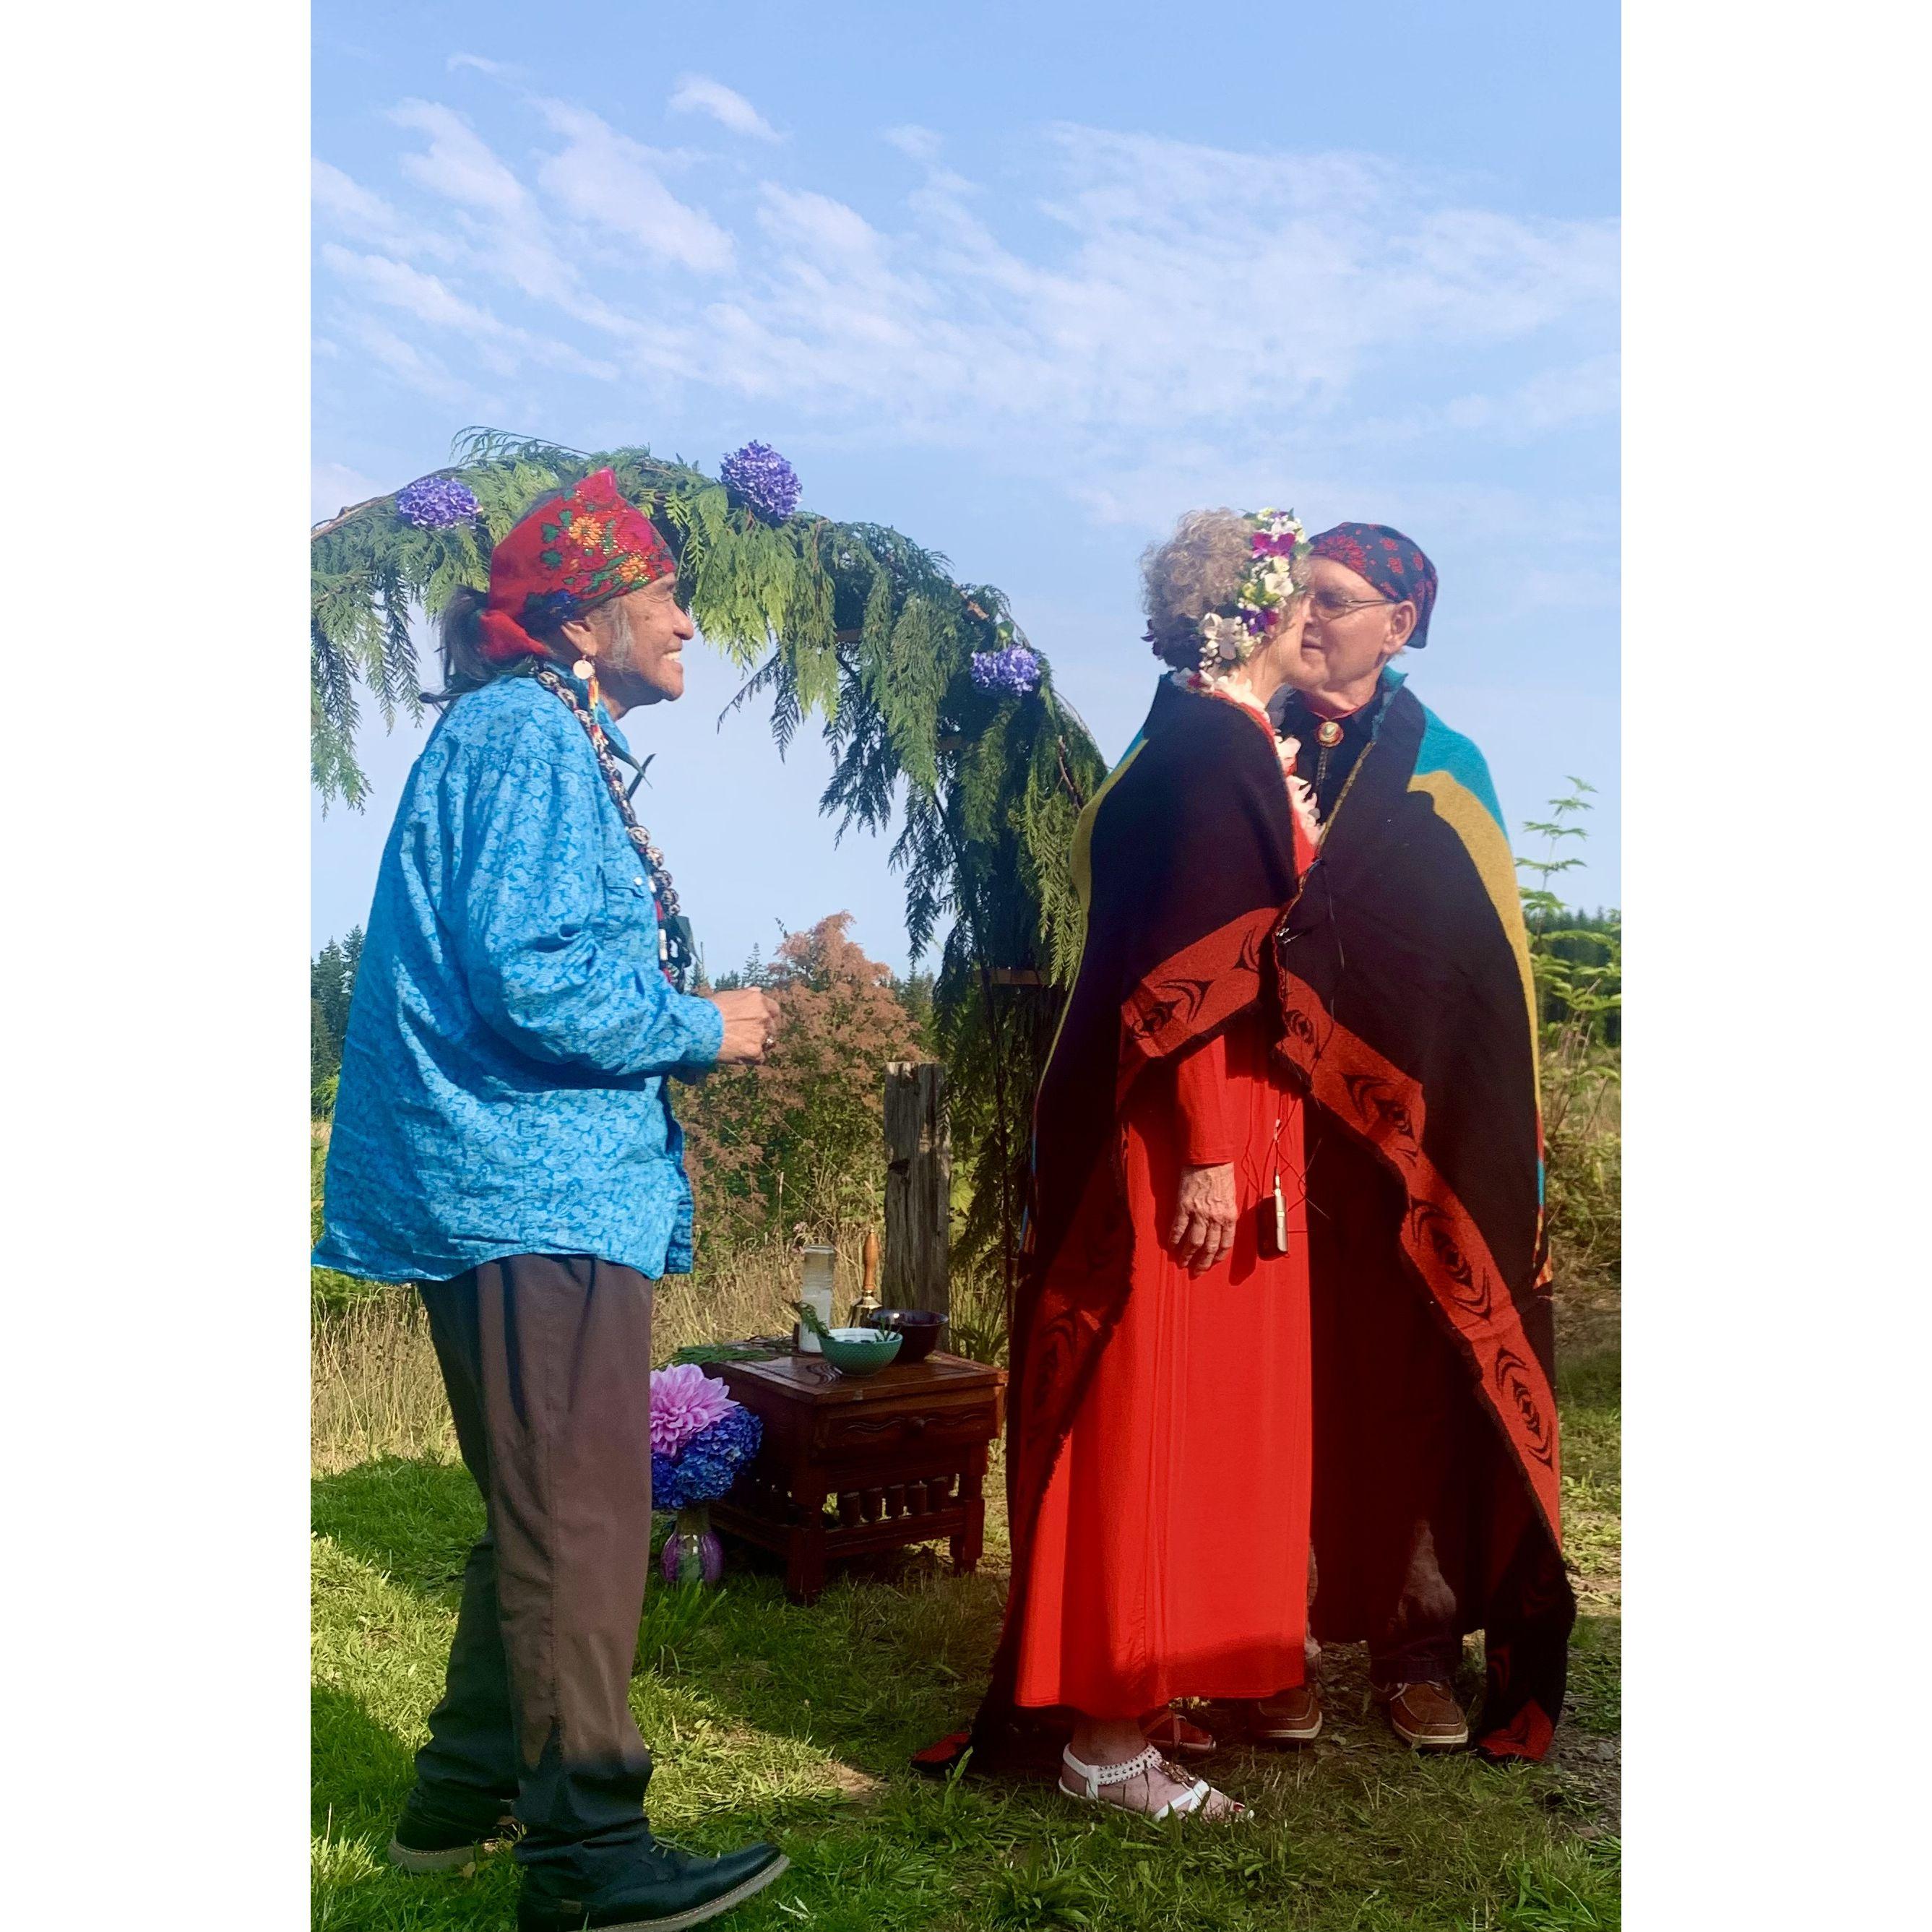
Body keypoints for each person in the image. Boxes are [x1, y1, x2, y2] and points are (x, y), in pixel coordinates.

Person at [315, 469, 792, 1931]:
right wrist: (705, 1022)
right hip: (529, 1183)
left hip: (512, 1179)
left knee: (540, 1503)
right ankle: (586, 1855)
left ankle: (458, 1797)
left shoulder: (528, 730)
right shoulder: (527, 733)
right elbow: (529, 974)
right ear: (585, 621)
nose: (690, 624)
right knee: (579, 1518)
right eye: (666, 598)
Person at [941, 508, 1324, 1819]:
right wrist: (1212, 1148)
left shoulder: (1196, 737)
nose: (1316, 620)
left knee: (1191, 1415)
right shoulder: (1215, 751)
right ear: (1260, 612)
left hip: (1213, 1124)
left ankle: (1143, 1676)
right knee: (1155, 1411)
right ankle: (1105, 1740)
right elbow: (1187, 976)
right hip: (1186, 1139)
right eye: (1300, 597)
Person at [1257, 522, 1576, 1757]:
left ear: (1398, 625)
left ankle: (1414, 1647)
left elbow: (1479, 980)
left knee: (1408, 1392)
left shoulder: (1447, 772)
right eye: (1295, 594)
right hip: (1257, 1133)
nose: (1306, 616)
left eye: (1334, 599)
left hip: (1403, 1151)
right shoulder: (1234, 731)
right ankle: (1262, 1645)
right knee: (1268, 1387)